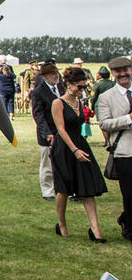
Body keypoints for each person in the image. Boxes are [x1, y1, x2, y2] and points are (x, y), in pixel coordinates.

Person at [49, 66, 107, 240]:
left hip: (80, 144)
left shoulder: (80, 103)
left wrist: (80, 147)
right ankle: (62, 224)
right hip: (64, 148)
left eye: (84, 87)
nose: (82, 90)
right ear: (68, 84)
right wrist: (74, 150)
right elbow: (61, 129)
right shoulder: (58, 103)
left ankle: (96, 231)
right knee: (63, 189)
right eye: (79, 87)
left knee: (88, 186)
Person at [97, 56, 132, 242]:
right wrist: (128, 119)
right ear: (113, 74)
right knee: (129, 193)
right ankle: (129, 226)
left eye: (126, 70)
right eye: (119, 72)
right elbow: (104, 123)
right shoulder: (106, 97)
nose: (123, 74)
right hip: (124, 151)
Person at [31, 61, 63, 200]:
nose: (56, 75)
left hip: (63, 131)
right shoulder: (38, 92)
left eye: (56, 72)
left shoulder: (62, 88)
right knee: (47, 164)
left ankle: (64, 189)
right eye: (52, 74)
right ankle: (48, 191)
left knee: (64, 162)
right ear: (45, 76)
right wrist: (47, 132)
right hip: (48, 132)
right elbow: (38, 114)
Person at [91, 65, 115, 146]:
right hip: (112, 105)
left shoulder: (97, 84)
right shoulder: (113, 83)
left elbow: (93, 97)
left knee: (103, 124)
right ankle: (111, 141)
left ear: (100, 75)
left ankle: (107, 141)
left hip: (99, 106)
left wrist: (92, 107)